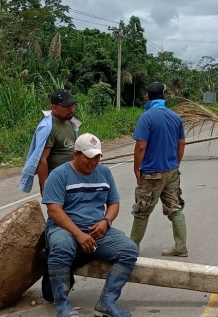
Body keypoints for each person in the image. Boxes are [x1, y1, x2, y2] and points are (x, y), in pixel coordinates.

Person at [42, 133, 138, 317]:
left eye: (97, 156)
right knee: (61, 246)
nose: (93, 161)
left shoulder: (104, 173)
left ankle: (107, 301)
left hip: (97, 229)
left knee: (129, 250)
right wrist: (78, 234)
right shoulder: (59, 175)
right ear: (76, 154)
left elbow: (114, 203)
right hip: (64, 229)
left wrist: (106, 221)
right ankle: (62, 306)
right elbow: (54, 210)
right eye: (89, 157)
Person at [129, 82, 188, 257]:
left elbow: (140, 146)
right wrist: (175, 163)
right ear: (165, 96)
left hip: (152, 173)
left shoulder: (146, 117)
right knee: (175, 208)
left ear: (147, 97)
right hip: (171, 171)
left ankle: (132, 248)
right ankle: (180, 247)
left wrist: (136, 168)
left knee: (142, 210)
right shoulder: (175, 117)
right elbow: (181, 143)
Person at [20, 89, 81, 195]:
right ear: (54, 107)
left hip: (73, 178)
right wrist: (45, 188)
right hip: (58, 180)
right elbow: (41, 160)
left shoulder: (69, 122)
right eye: (66, 106)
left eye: (72, 105)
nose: (71, 109)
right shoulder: (48, 127)